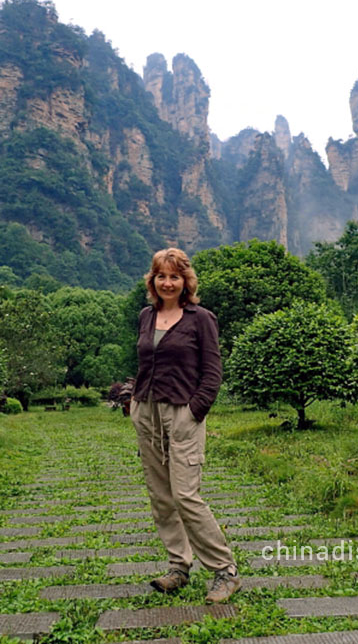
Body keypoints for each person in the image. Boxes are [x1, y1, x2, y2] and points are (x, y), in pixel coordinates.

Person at [131, 247, 240, 603]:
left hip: (182, 413)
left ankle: (224, 571)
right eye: (161, 276)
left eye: (174, 276)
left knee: (185, 495)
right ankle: (179, 566)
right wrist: (135, 403)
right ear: (153, 280)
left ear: (185, 281)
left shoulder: (200, 318)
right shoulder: (146, 316)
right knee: (161, 496)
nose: (167, 282)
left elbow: (213, 371)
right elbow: (146, 362)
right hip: (147, 411)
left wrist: (196, 409)